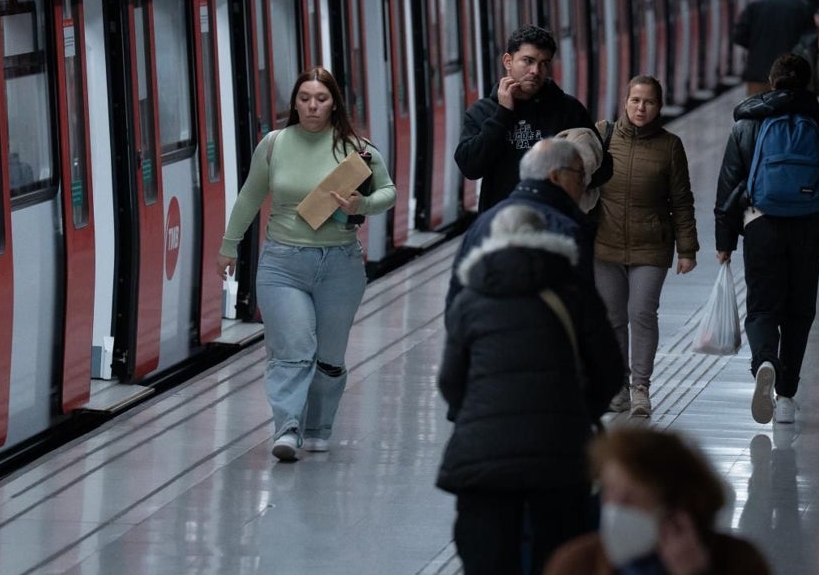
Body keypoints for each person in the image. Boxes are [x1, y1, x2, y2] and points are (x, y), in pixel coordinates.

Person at [215, 67, 398, 460]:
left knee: (329, 357)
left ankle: (318, 427)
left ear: (334, 104)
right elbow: (250, 197)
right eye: (304, 99)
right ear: (294, 103)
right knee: (292, 349)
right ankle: (287, 427)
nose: (312, 106)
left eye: (321, 99)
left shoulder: (357, 149)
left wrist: (361, 204)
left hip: (341, 265)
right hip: (282, 263)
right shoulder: (273, 144)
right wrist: (228, 245)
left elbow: (389, 193)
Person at [437, 203, 623, 575]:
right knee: (556, 558)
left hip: (482, 457)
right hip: (561, 456)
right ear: (546, 240)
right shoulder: (576, 295)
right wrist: (577, 411)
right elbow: (610, 372)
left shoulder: (469, 300)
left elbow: (450, 382)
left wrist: (477, 411)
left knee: (486, 558)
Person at [714, 54, 819, 425]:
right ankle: (786, 397)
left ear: (771, 82)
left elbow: (729, 183)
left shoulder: (748, 125)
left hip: (761, 223)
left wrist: (725, 239)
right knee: (799, 311)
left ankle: (764, 362)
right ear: (808, 84)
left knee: (761, 307)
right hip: (808, 225)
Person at [593, 75, 699, 417]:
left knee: (641, 313)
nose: (641, 108)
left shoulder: (670, 146)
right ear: (624, 102)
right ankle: (618, 387)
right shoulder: (602, 135)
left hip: (651, 246)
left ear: (659, 106)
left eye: (649, 102)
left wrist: (687, 249)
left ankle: (641, 387)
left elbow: (682, 201)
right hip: (605, 244)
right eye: (635, 100)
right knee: (612, 318)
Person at [544, 428, 771, 575]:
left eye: (631, 497)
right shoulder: (576, 562)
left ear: (673, 504)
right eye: (610, 492)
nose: (615, 508)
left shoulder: (738, 562)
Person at [455, 24, 610, 212]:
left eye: (544, 63)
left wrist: (573, 177)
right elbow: (470, 168)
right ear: (508, 61)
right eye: (527, 61)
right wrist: (502, 115)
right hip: (503, 226)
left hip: (556, 224)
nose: (536, 71)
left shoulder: (567, 109)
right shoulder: (482, 112)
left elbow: (605, 168)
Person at [446, 137, 599, 309]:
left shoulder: (481, 224)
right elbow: (585, 313)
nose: (584, 183)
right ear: (556, 176)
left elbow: (455, 299)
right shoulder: (568, 232)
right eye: (579, 174)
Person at [733, 0, 816, 95]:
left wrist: (756, 45)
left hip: (758, 73)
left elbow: (738, 35)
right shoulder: (802, 6)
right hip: (792, 74)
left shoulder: (754, 4)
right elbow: (810, 39)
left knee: (758, 112)